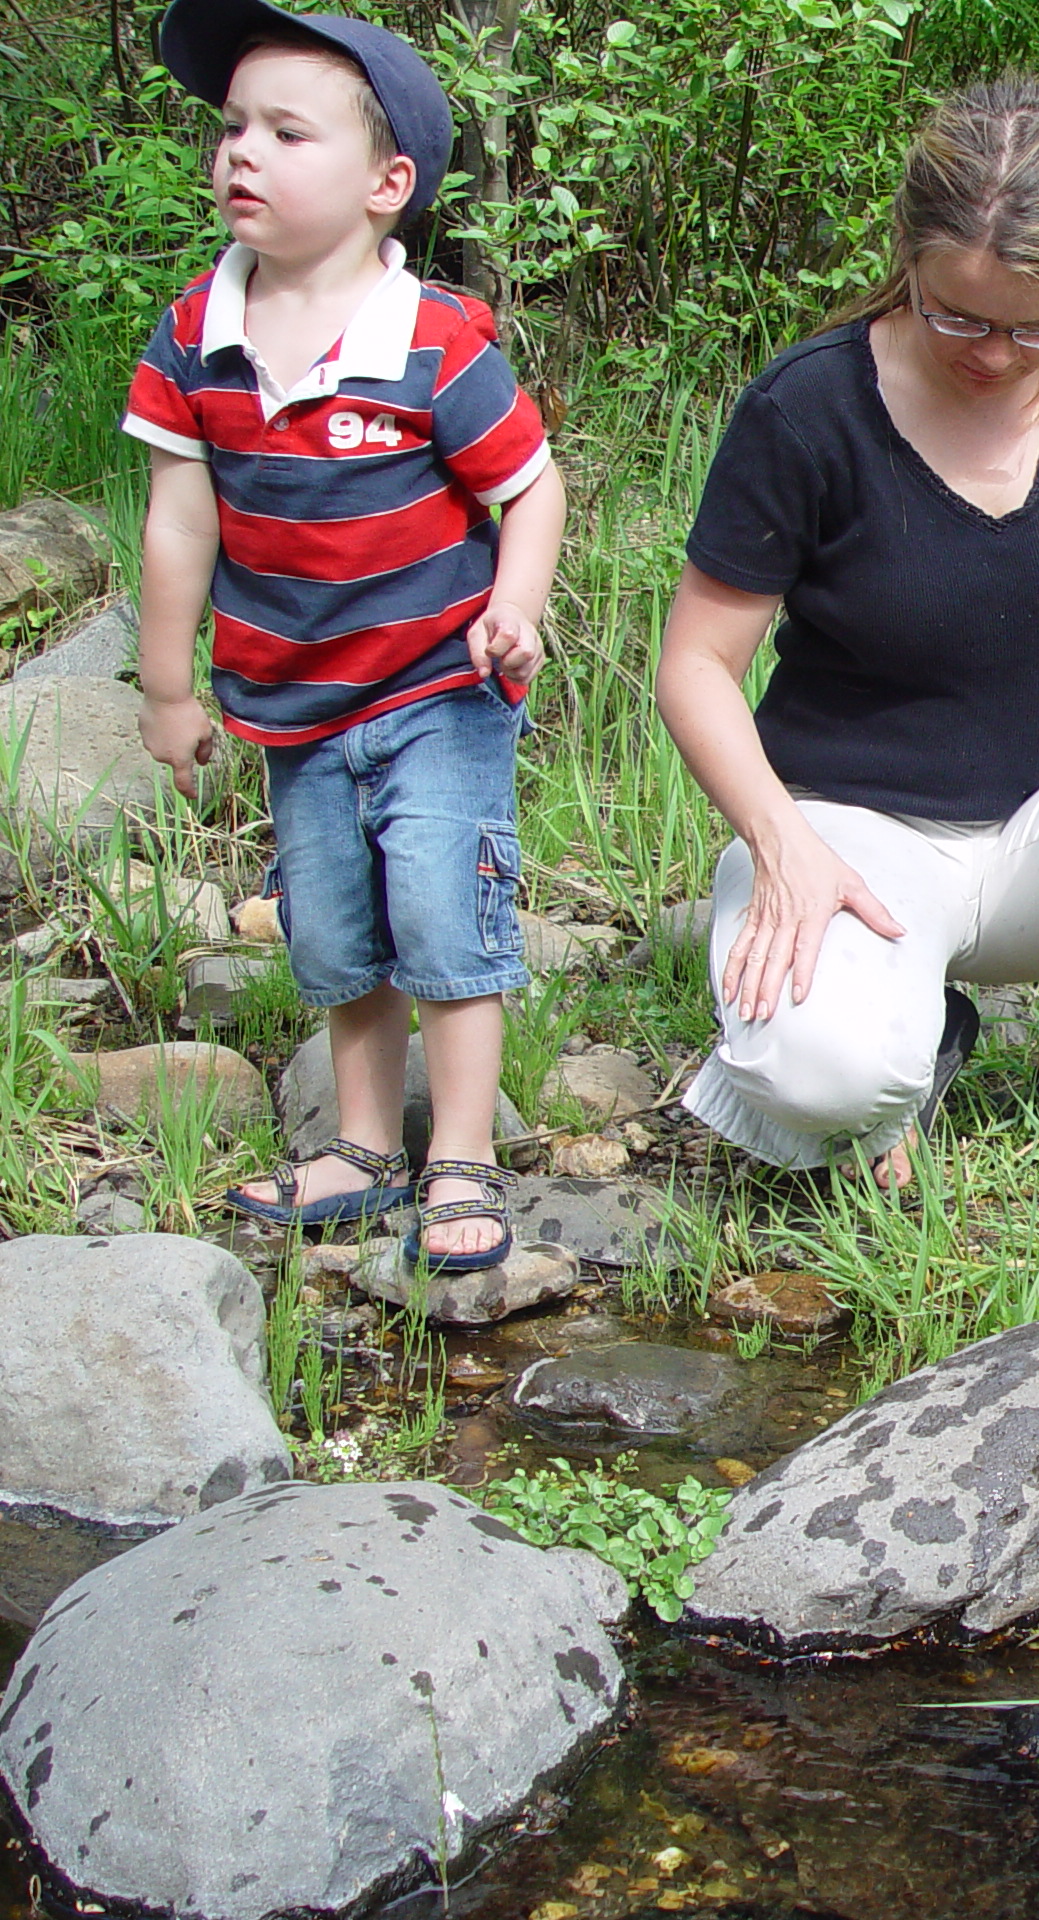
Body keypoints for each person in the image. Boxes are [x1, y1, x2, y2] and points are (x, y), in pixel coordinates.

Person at [656, 77, 1039, 1198]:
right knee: (820, 1080)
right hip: (851, 838)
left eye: (1036, 326)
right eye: (958, 315)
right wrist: (781, 840)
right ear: (907, 255)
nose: (993, 353)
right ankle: (909, 1044)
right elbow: (695, 665)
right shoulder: (807, 409)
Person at [125, 0, 566, 1272]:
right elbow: (179, 526)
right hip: (291, 697)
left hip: (440, 685)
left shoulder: (429, 341)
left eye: (284, 131)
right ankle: (365, 1144)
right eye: (231, 129)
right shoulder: (195, 339)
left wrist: (514, 602)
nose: (241, 155)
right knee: (331, 928)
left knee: (443, 909)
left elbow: (528, 485)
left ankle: (463, 1152)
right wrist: (167, 688)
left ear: (388, 184)